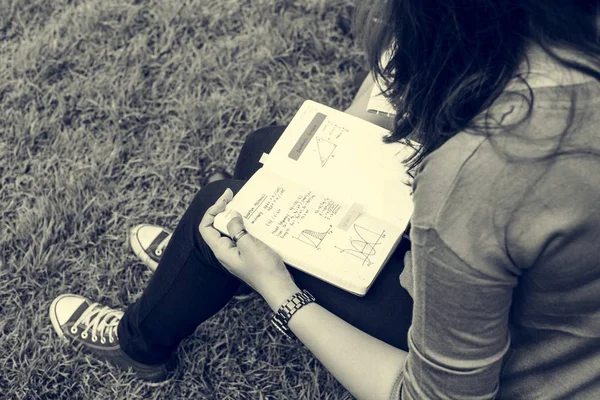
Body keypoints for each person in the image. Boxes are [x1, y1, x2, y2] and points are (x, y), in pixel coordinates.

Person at [49, 1, 600, 398]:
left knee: (225, 211)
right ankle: (214, 273)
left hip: (527, 371)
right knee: (267, 149)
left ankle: (140, 344)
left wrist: (279, 288)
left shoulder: (477, 175)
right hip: (559, 319)